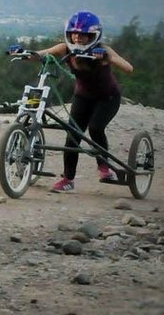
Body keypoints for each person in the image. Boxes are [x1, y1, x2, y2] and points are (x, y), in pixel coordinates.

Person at [32, 11, 133, 192]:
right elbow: (42, 54)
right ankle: (68, 180)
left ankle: (103, 167)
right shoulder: (65, 49)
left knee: (95, 128)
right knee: (72, 135)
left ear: (93, 36)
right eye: (74, 33)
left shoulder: (102, 50)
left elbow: (128, 68)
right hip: (83, 97)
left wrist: (107, 57)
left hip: (107, 98)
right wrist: (23, 53)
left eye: (82, 34)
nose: (77, 38)